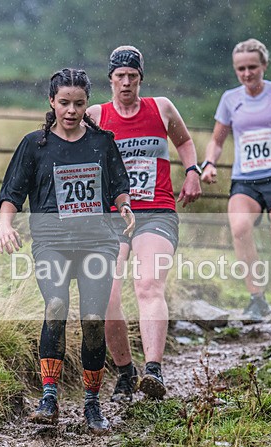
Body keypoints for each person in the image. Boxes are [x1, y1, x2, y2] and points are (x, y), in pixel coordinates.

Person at [0, 68, 135, 435]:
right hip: (52, 243)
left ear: (87, 103)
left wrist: (123, 205)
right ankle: (49, 397)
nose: (71, 111)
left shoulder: (102, 142)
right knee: (56, 307)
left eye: (78, 103)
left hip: (97, 243)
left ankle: (92, 404)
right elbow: (12, 192)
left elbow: (120, 186)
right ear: (51, 102)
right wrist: (5, 224)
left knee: (93, 318)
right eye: (64, 103)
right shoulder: (35, 145)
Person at [86, 45, 202, 402]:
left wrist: (193, 171)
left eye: (132, 77)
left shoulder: (161, 107)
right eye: (119, 77)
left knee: (149, 285)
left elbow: (183, 141)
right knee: (108, 295)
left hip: (156, 211)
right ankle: (125, 372)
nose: (125, 83)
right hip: (112, 216)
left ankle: (154, 371)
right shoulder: (95, 115)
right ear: (110, 81)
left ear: (140, 79)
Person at [200, 38, 271, 334]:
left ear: (264, 65)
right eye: (241, 68)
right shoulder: (230, 99)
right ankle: (257, 299)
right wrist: (210, 163)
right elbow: (216, 140)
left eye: (253, 67)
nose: (247, 73)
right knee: (239, 228)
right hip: (246, 180)